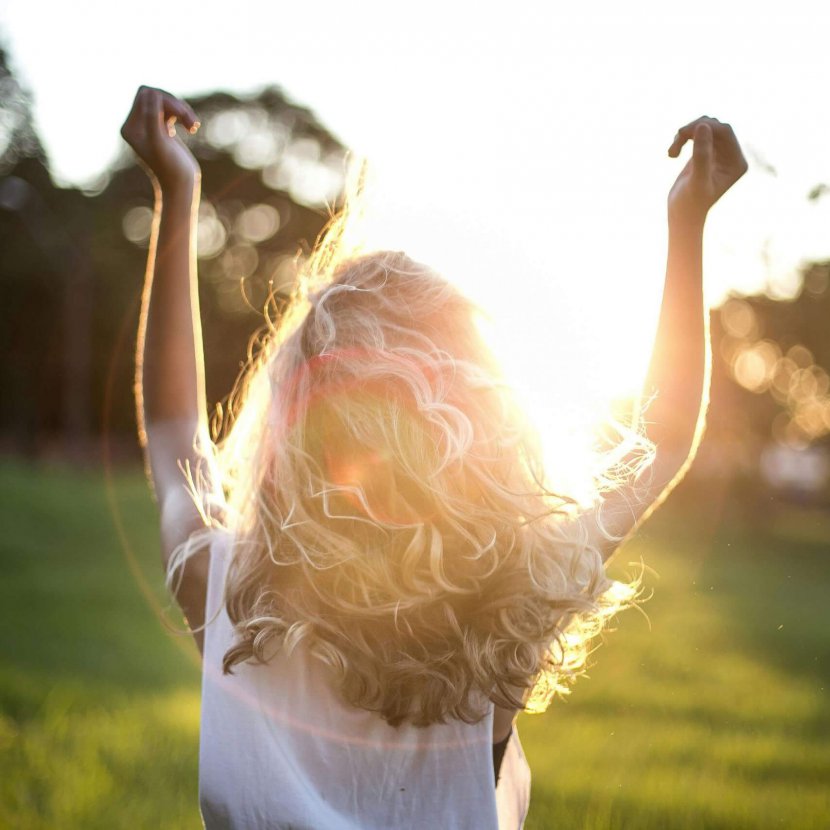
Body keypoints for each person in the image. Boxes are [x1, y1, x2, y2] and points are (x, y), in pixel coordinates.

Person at [121, 86, 747, 829]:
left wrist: (177, 191)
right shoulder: (510, 605)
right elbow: (663, 435)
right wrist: (688, 222)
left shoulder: (226, 588)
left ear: (292, 427)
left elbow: (175, 430)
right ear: (477, 424)